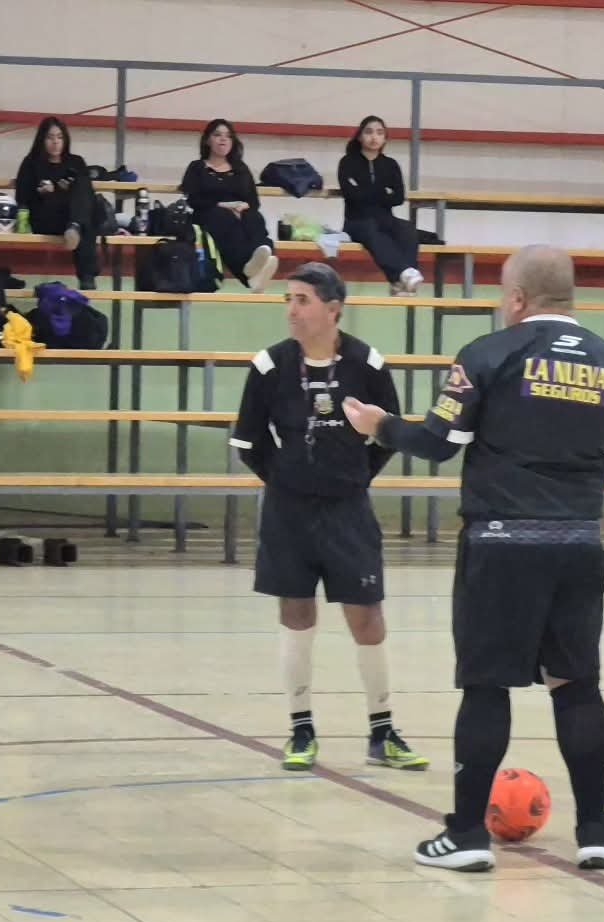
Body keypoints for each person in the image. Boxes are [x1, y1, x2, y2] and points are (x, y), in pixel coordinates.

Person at [342, 245, 604, 873]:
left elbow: (437, 442)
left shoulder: (487, 354)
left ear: (516, 298)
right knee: (577, 684)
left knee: (486, 687)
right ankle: (596, 831)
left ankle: (466, 835)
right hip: (578, 544)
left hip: (500, 546)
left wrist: (379, 425)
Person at [229, 262, 427, 772]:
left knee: (366, 615)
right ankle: (300, 727)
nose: (292, 310)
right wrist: (288, 479)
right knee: (297, 614)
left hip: (347, 511)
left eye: (302, 300)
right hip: (287, 512)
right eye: (288, 299)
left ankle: (383, 732)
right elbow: (248, 444)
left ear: (333, 309)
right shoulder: (270, 366)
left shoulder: (368, 365)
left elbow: (388, 433)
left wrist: (352, 477)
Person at [181, 119, 278, 292]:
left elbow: (254, 201)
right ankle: (249, 276)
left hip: (239, 214)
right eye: (217, 135)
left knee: (254, 216)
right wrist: (223, 205)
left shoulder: (240, 168)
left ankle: (262, 255)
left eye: (228, 136)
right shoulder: (197, 167)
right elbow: (193, 200)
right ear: (207, 140)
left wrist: (242, 206)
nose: (223, 139)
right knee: (222, 218)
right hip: (208, 215)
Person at [13, 116, 102, 290]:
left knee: (82, 185)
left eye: (60, 137)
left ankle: (75, 226)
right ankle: (87, 275)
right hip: (45, 216)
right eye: (50, 137)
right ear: (42, 140)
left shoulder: (76, 161)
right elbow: (21, 198)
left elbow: (87, 193)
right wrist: (41, 193)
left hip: (70, 217)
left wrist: (68, 190)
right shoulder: (31, 163)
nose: (55, 142)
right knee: (85, 219)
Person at [338, 115, 424, 295]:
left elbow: (399, 197)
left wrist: (367, 191)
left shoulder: (390, 165)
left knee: (407, 229)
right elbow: (352, 195)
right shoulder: (347, 163)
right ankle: (403, 274)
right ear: (360, 136)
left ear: (385, 138)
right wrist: (382, 192)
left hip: (385, 218)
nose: (374, 137)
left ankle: (400, 282)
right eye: (368, 132)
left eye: (379, 133)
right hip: (356, 221)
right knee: (373, 232)